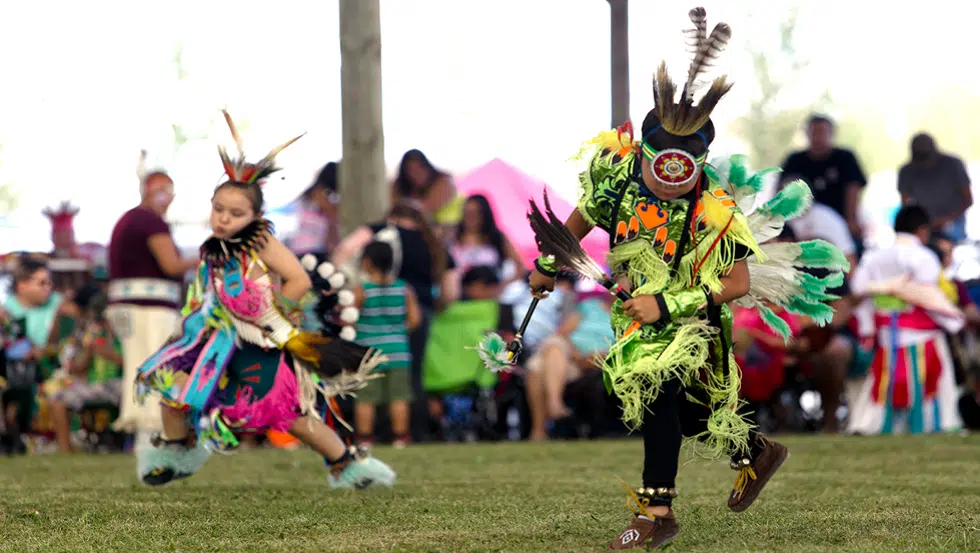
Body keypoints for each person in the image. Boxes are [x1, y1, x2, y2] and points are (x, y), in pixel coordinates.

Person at [526, 9, 847, 548]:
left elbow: (740, 281)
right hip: (636, 307)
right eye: (660, 172)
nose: (670, 184)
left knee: (658, 390)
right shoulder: (619, 177)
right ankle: (751, 451)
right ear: (645, 158)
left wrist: (668, 306)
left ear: (699, 165)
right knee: (679, 407)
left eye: (684, 175)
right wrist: (547, 264)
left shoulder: (715, 207)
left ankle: (656, 514)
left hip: (691, 313)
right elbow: (578, 220)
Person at [133, 111, 395, 490]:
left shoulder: (261, 242)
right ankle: (177, 450)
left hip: (262, 345)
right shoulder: (212, 249)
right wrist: (188, 333)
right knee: (173, 388)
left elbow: (299, 279)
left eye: (235, 213)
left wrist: (272, 317)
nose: (223, 219)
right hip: (216, 343)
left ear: (256, 216)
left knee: (291, 418)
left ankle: (346, 463)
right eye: (218, 209)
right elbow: (202, 297)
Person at [332, 202, 459, 441]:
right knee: (407, 387)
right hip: (405, 333)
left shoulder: (378, 233)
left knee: (367, 393)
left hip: (368, 342)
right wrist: (401, 330)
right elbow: (448, 292)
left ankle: (367, 436)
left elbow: (344, 249)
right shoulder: (429, 245)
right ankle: (407, 435)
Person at [847, 205, 964, 435]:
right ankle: (939, 421)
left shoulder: (873, 257)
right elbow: (927, 294)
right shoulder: (924, 256)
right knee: (938, 375)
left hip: (887, 333)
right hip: (921, 332)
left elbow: (859, 289)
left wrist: (870, 323)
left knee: (884, 378)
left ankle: (874, 423)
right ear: (922, 230)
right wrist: (953, 321)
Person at [106, 153, 199, 439]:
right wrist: (202, 259)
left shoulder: (130, 220)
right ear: (150, 191)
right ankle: (152, 420)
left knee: (138, 361)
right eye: (163, 191)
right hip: (148, 307)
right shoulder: (150, 222)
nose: (167, 198)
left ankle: (138, 418)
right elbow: (170, 264)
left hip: (126, 304)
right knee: (155, 361)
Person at [353, 241, 421, 449]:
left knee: (366, 397)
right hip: (398, 351)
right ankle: (400, 437)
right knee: (399, 396)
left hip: (368, 351)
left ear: (367, 262)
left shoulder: (362, 290)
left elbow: (349, 317)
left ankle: (365, 438)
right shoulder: (404, 288)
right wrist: (396, 331)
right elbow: (415, 320)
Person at [45, 285, 123, 453]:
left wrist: (109, 354)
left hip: (121, 384)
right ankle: (66, 450)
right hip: (94, 386)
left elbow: (137, 365)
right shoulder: (88, 333)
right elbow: (77, 368)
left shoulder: (123, 334)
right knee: (57, 398)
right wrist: (88, 353)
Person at [781, 114, 868, 251]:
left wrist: (851, 220)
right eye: (814, 132)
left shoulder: (845, 158)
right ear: (807, 134)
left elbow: (853, 187)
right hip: (801, 224)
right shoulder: (794, 160)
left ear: (832, 134)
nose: (818, 137)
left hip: (840, 220)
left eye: (822, 132)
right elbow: (782, 190)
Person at [898, 133, 973, 243]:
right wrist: (920, 225)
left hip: (954, 222)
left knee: (954, 245)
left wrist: (947, 220)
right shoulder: (906, 172)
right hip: (924, 226)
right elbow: (905, 205)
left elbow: (968, 199)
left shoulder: (953, 164)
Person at [453, 194, 525, 284]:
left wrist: (502, 286)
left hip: (491, 293)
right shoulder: (453, 236)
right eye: (467, 213)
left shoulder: (497, 237)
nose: (470, 218)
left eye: (475, 213)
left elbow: (521, 267)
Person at [392, 149, 462, 233]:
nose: (416, 173)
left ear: (427, 167)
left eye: (420, 167)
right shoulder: (399, 186)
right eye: (411, 169)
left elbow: (424, 210)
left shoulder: (443, 182)